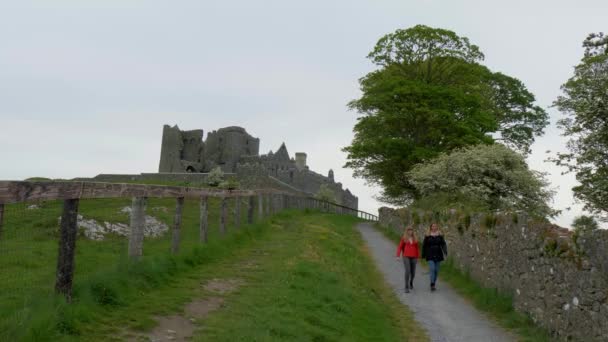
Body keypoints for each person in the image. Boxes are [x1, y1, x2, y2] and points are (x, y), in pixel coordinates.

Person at [422, 223, 447, 292]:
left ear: (437, 227)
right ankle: (432, 284)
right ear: (431, 227)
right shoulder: (427, 235)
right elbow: (424, 245)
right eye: (433, 226)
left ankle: (433, 282)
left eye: (435, 226)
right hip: (430, 254)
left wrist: (445, 252)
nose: (434, 227)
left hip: (438, 253)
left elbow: (443, 244)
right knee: (432, 269)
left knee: (436, 271)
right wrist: (423, 254)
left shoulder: (440, 235)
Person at [395, 226, 419, 293]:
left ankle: (411, 282)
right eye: (409, 230)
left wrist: (418, 257)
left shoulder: (415, 238)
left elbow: (417, 248)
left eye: (411, 230)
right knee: (407, 271)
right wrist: (398, 255)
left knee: (413, 273)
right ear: (407, 231)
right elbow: (400, 247)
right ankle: (406, 286)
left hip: (414, 257)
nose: (410, 232)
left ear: (412, 231)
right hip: (406, 256)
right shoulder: (404, 238)